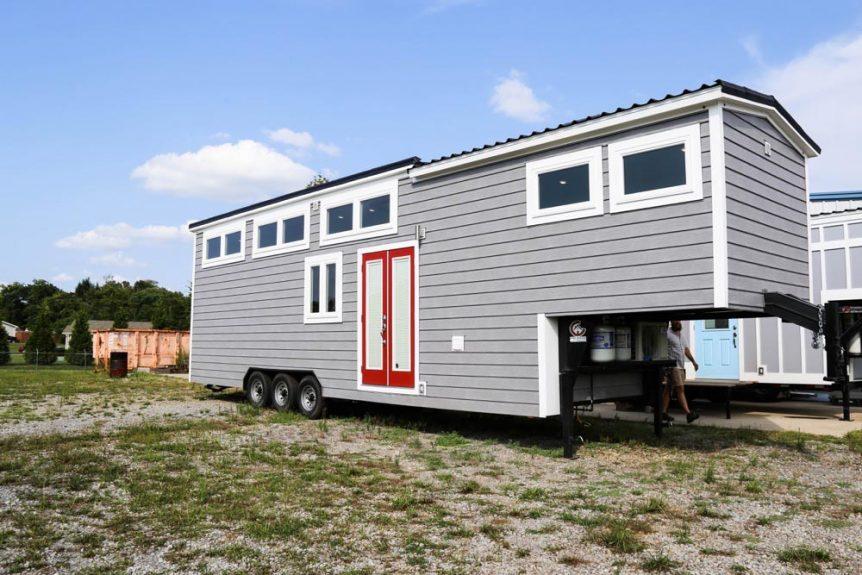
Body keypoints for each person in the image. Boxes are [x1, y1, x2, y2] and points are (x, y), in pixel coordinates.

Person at [664, 320, 700, 423]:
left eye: (679, 321)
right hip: (672, 366)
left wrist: (693, 362)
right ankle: (688, 414)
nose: (678, 322)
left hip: (681, 366)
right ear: (671, 322)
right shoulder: (667, 334)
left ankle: (663, 413)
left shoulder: (681, 335)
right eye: (676, 321)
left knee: (668, 389)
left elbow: (686, 350)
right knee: (680, 388)